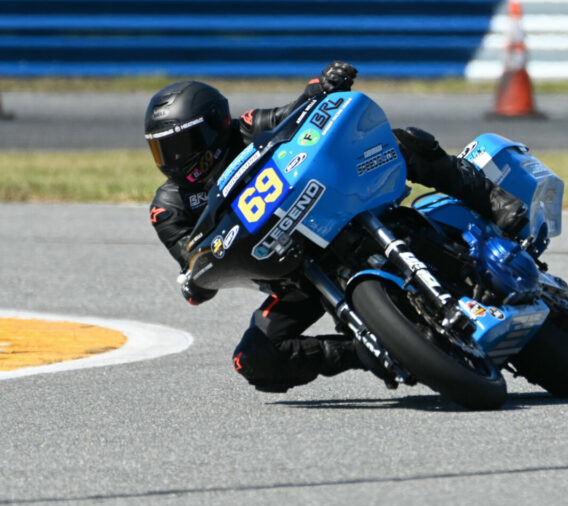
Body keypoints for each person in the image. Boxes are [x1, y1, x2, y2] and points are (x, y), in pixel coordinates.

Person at [145, 61, 527, 393]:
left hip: (329, 215)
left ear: (214, 125)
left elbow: (293, 112)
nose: (173, 160)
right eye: (163, 150)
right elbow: (192, 267)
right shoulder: (168, 208)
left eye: (182, 145)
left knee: (396, 141)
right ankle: (365, 349)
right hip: (291, 276)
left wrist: (322, 86)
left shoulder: (244, 128)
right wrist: (194, 278)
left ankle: (491, 198)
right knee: (253, 359)